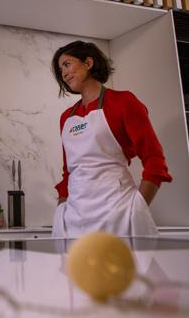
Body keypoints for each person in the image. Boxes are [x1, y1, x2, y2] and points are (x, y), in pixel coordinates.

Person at [50, 41, 172, 238]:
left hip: (118, 212)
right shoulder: (67, 117)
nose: (63, 73)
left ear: (88, 62)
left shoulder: (123, 102)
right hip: (74, 218)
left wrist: (138, 208)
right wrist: (61, 210)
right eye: (60, 69)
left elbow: (154, 160)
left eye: (67, 64)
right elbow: (68, 172)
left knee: (128, 269)